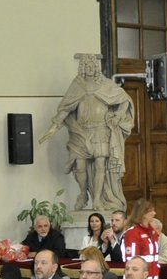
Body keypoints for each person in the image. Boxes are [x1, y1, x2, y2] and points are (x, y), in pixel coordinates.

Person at [40, 51, 135, 212]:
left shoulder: (105, 84)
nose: (90, 67)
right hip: (81, 131)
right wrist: (53, 127)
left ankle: (97, 200)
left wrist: (118, 114)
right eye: (86, 65)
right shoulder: (77, 85)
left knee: (100, 164)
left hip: (101, 130)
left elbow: (124, 99)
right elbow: (66, 109)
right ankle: (83, 194)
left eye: (92, 65)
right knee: (80, 165)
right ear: (82, 68)